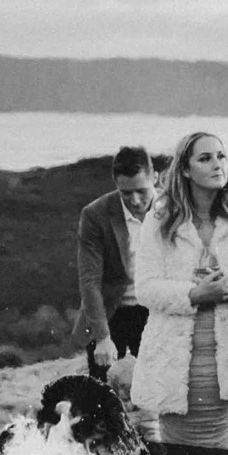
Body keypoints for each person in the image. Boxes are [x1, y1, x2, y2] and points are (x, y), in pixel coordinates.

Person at [130, 132, 228, 447]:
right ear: (184, 169)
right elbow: (146, 288)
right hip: (174, 366)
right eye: (205, 158)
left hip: (227, 366)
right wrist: (194, 295)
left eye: (221, 156)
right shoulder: (160, 218)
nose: (217, 164)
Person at [77, 145, 158, 381]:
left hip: (157, 310)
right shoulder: (94, 215)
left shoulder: (175, 209)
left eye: (141, 191)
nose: (134, 200)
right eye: (125, 193)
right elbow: (89, 281)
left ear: (155, 178)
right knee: (101, 396)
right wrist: (102, 337)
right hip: (112, 312)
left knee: (162, 390)